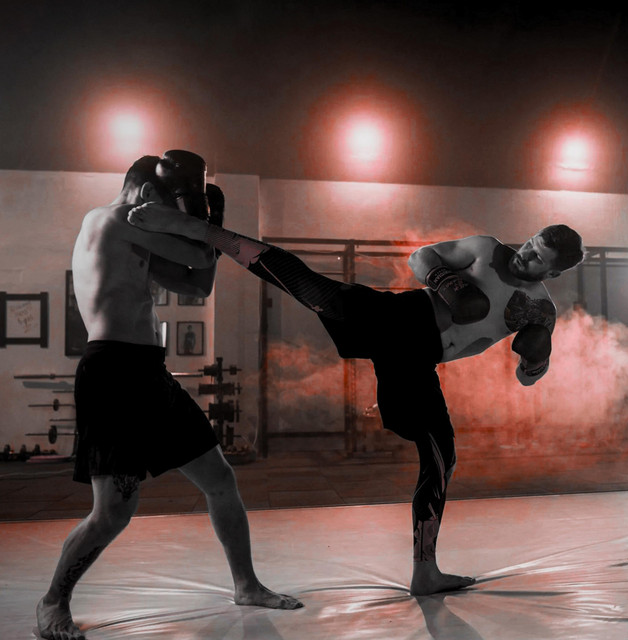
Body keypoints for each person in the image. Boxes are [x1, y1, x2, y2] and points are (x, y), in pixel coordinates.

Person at [127, 203, 584, 596]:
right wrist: (449, 282)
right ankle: (199, 229)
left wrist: (536, 359)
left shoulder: (540, 311)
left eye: (536, 258)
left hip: (418, 361)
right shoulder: (487, 248)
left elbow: (526, 380)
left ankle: (425, 572)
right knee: (306, 284)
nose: (524, 254)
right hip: (398, 317)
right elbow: (421, 256)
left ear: (553, 273)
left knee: (442, 456)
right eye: (530, 243)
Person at [36, 151, 302, 640]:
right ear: (144, 194)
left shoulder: (136, 240)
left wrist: (208, 225)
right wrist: (204, 221)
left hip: (149, 372)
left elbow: (199, 282)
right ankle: (53, 601)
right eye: (165, 208)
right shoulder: (109, 221)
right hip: (112, 374)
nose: (168, 220)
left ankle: (246, 585)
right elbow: (199, 251)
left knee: (220, 480)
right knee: (113, 512)